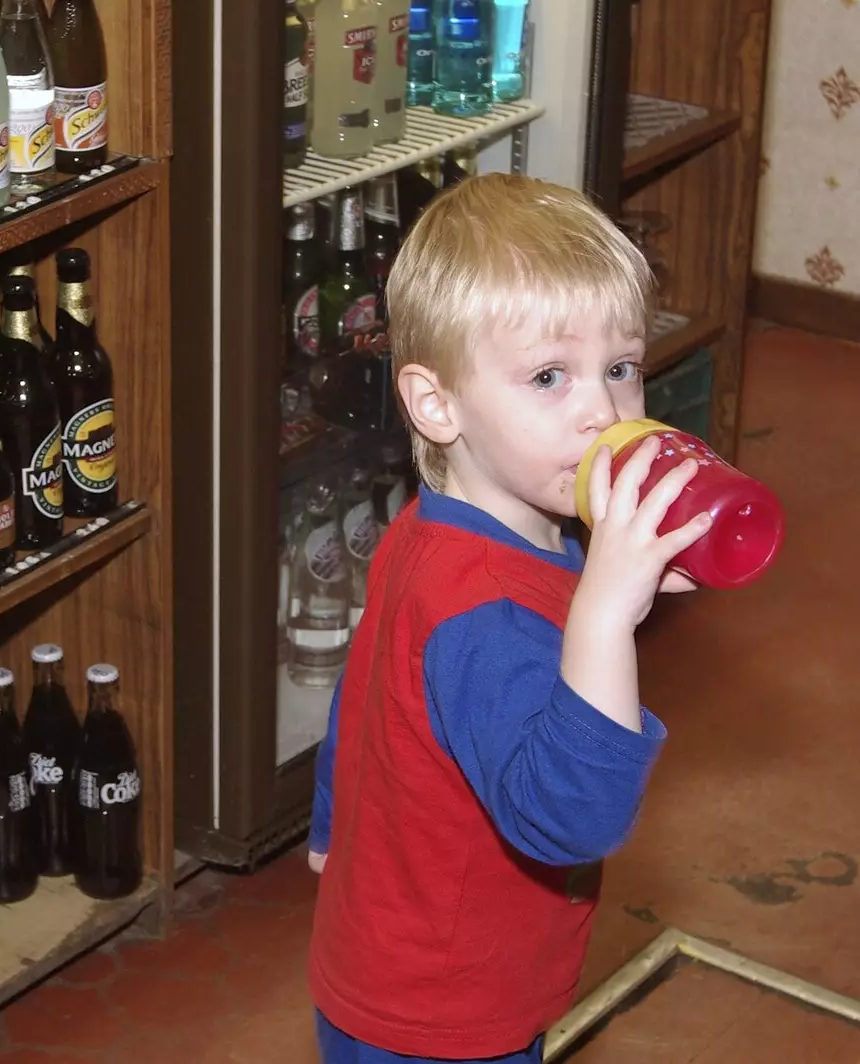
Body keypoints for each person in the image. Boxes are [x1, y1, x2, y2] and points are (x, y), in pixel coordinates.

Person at [305, 173, 712, 1064]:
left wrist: (331, 826)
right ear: (435, 403)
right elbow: (569, 819)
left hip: (387, 954)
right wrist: (606, 619)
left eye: (620, 367)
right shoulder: (481, 610)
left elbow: (367, 698)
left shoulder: (436, 530)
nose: (602, 410)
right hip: (442, 1019)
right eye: (548, 376)